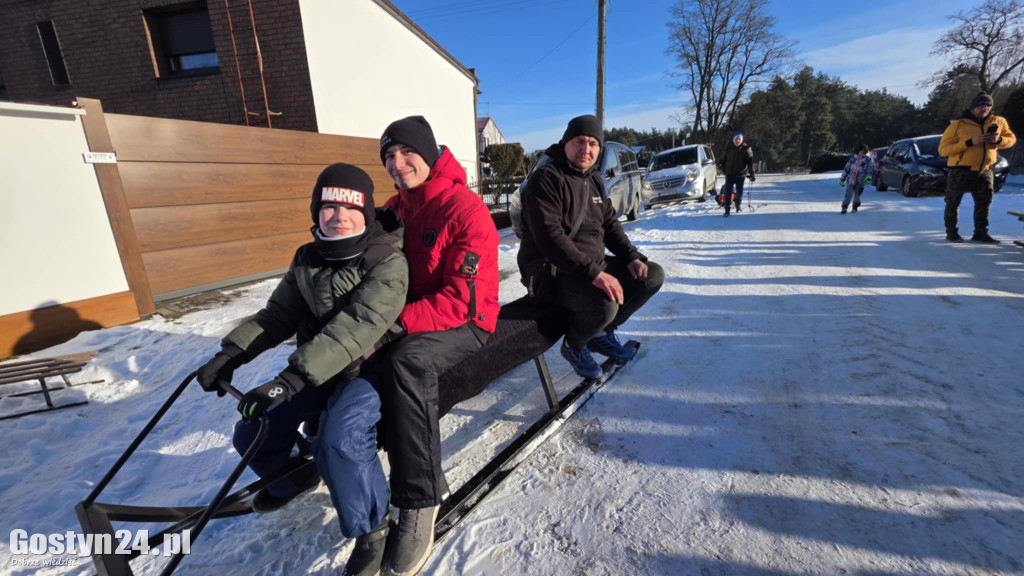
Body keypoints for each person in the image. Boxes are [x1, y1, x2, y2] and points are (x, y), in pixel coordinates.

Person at [195, 164, 409, 575]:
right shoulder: (307, 258)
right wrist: (231, 354)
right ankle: (293, 478)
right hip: (319, 368)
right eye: (328, 207)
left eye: (349, 207)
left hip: (372, 367)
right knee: (253, 430)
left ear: (366, 211)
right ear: (316, 212)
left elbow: (357, 328)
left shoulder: (387, 261)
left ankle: (373, 529)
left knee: (339, 438)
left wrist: (287, 382)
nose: (339, 216)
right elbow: (277, 315)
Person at [367, 115, 500, 576]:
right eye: (388, 157)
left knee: (407, 360)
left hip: (469, 319)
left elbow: (461, 298)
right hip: (417, 315)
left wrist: (396, 324)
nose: (397, 164)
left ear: (429, 153)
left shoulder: (465, 209)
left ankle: (420, 499)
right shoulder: (397, 206)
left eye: (406, 153)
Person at [516, 114, 664, 379]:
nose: (586, 149)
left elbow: (609, 224)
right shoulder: (546, 180)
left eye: (593, 144)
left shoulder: (593, 179)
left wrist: (631, 256)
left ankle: (599, 333)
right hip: (550, 273)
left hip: (587, 268)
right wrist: (595, 274)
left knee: (650, 276)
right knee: (606, 301)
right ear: (565, 143)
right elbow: (550, 238)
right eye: (579, 141)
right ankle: (575, 345)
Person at [938, 91, 1017, 243]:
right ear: (973, 107)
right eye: (981, 106)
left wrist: (998, 140)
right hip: (960, 170)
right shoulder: (958, 124)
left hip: (985, 170)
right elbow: (943, 150)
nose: (985, 108)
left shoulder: (998, 121)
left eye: (988, 105)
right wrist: (969, 143)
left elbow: (1011, 139)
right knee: (953, 202)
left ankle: (981, 233)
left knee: (984, 202)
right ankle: (951, 233)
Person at [719, 132, 755, 216]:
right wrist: (723, 169)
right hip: (730, 174)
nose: (737, 141)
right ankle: (727, 210)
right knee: (728, 192)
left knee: (739, 192)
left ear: (741, 140)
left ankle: (738, 205)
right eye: (736, 139)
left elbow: (750, 162)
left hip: (740, 174)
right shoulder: (728, 149)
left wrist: (752, 173)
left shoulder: (746, 149)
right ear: (733, 140)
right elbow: (721, 160)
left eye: (739, 139)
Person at [839, 144, 874, 214]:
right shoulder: (853, 159)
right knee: (849, 194)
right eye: (860, 151)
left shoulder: (868, 160)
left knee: (857, 195)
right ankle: (844, 207)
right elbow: (847, 169)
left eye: (863, 151)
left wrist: (868, 177)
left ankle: (855, 206)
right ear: (857, 151)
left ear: (865, 151)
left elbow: (870, 169)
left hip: (861, 180)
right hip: (851, 180)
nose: (861, 152)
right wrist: (842, 179)